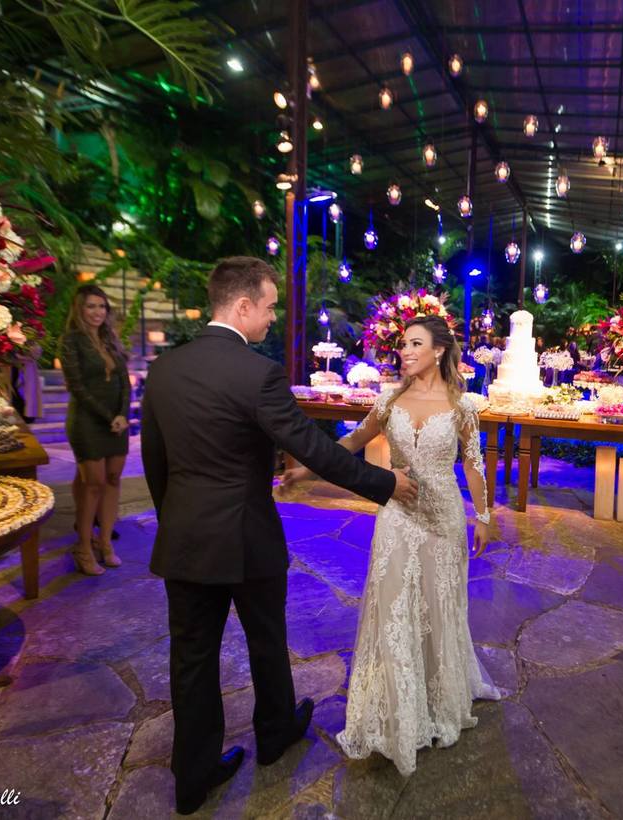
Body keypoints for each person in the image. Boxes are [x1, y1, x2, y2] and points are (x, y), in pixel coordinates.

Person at [140, 257, 417, 813]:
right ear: (242, 306)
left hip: (186, 541)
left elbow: (156, 462)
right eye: (267, 307)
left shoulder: (164, 370)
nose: (271, 319)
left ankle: (192, 780)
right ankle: (273, 734)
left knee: (191, 660)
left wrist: (178, 519)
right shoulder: (256, 373)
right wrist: (386, 483)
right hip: (247, 538)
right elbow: (313, 449)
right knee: (266, 640)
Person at [282, 315, 500, 776]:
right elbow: (352, 442)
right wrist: (307, 468)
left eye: (414, 344)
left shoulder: (462, 407)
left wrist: (482, 515)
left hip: (443, 517)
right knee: (393, 605)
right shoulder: (389, 400)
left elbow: (474, 464)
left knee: (437, 607)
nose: (404, 351)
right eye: (403, 344)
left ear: (438, 351)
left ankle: (437, 703)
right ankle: (393, 714)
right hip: (397, 515)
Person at [59, 285, 130, 575]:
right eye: (91, 306)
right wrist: (108, 417)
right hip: (88, 421)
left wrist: (123, 414)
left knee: (113, 479)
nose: (97, 312)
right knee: (93, 484)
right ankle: (84, 547)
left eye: (102, 307)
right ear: (79, 309)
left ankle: (105, 543)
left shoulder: (111, 339)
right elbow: (77, 386)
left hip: (117, 423)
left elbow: (124, 383)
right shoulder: (71, 341)